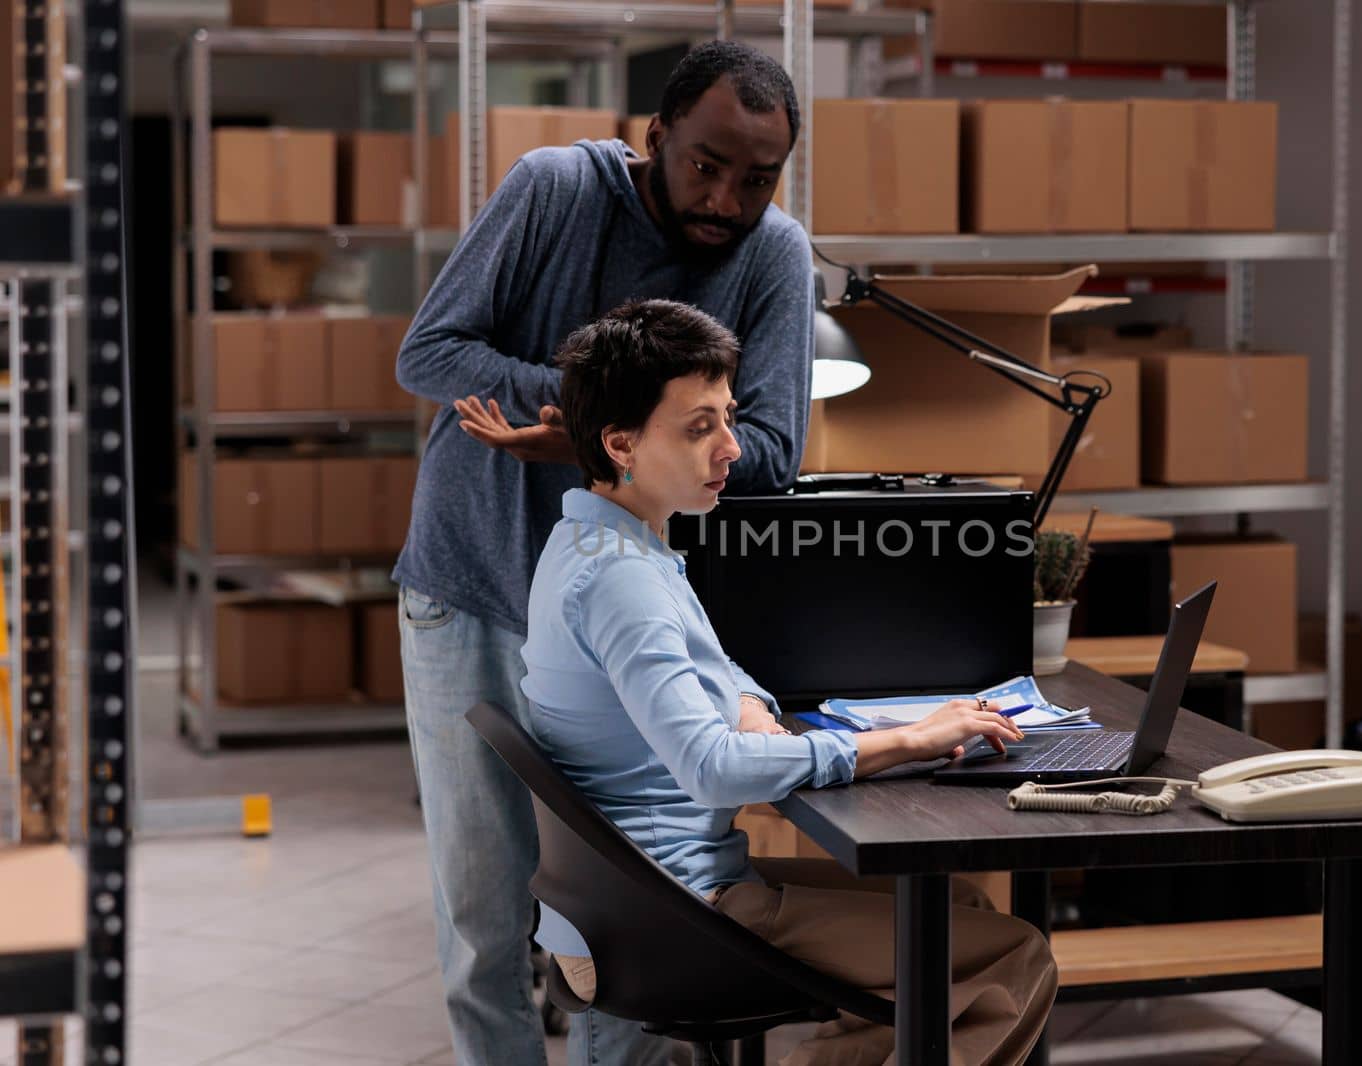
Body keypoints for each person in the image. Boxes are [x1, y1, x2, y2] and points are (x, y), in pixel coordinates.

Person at [392, 41, 815, 1066]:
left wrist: (596, 432)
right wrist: (597, 413)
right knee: (486, 916)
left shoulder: (774, 256)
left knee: (628, 912)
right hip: (477, 584)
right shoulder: (554, 190)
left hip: (626, 623)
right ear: (656, 137)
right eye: (706, 164)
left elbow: (770, 454)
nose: (726, 197)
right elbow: (431, 352)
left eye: (756, 178)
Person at [518, 298, 1059, 1066]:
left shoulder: (598, 543)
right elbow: (710, 768)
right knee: (1015, 958)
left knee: (958, 906)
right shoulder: (622, 582)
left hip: (638, 893)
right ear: (621, 443)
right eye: (698, 427)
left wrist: (747, 702)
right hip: (677, 910)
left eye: (728, 419)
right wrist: (903, 740)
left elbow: (714, 664)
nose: (731, 448)